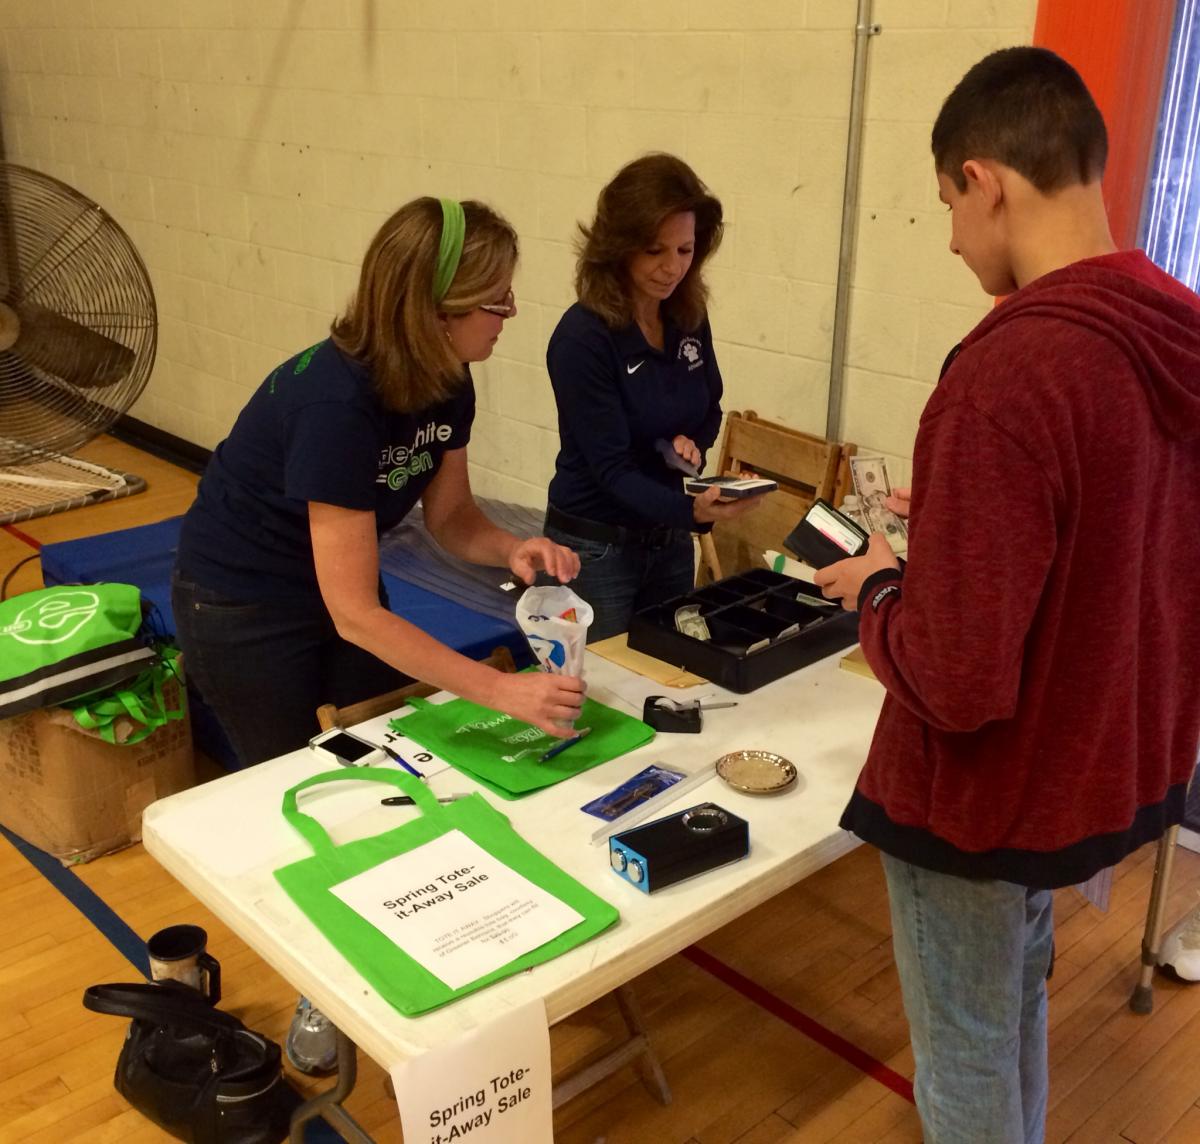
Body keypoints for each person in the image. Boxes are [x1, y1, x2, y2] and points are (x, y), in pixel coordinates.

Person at [812, 47, 1200, 1143]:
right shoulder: (1177, 328)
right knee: (1011, 1013)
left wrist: (883, 589)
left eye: (946, 203)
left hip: (981, 799)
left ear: (986, 180)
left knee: (968, 1065)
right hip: (1093, 772)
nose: (948, 239)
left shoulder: (1010, 372)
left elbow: (960, 676)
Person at [172, 197, 585, 768]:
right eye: (499, 301)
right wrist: (501, 692)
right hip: (243, 599)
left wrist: (512, 548)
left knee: (383, 747)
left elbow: (452, 518)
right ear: (439, 312)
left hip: (336, 582)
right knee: (295, 772)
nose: (510, 314)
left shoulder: (449, 375)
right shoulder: (334, 405)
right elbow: (357, 614)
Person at [543, 153, 760, 642]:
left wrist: (694, 443)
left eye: (684, 251)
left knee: (669, 676)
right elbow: (612, 469)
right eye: (654, 251)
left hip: (668, 541)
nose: (671, 269)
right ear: (618, 247)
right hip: (596, 548)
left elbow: (709, 407)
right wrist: (695, 512)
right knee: (600, 697)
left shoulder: (687, 315)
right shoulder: (583, 338)